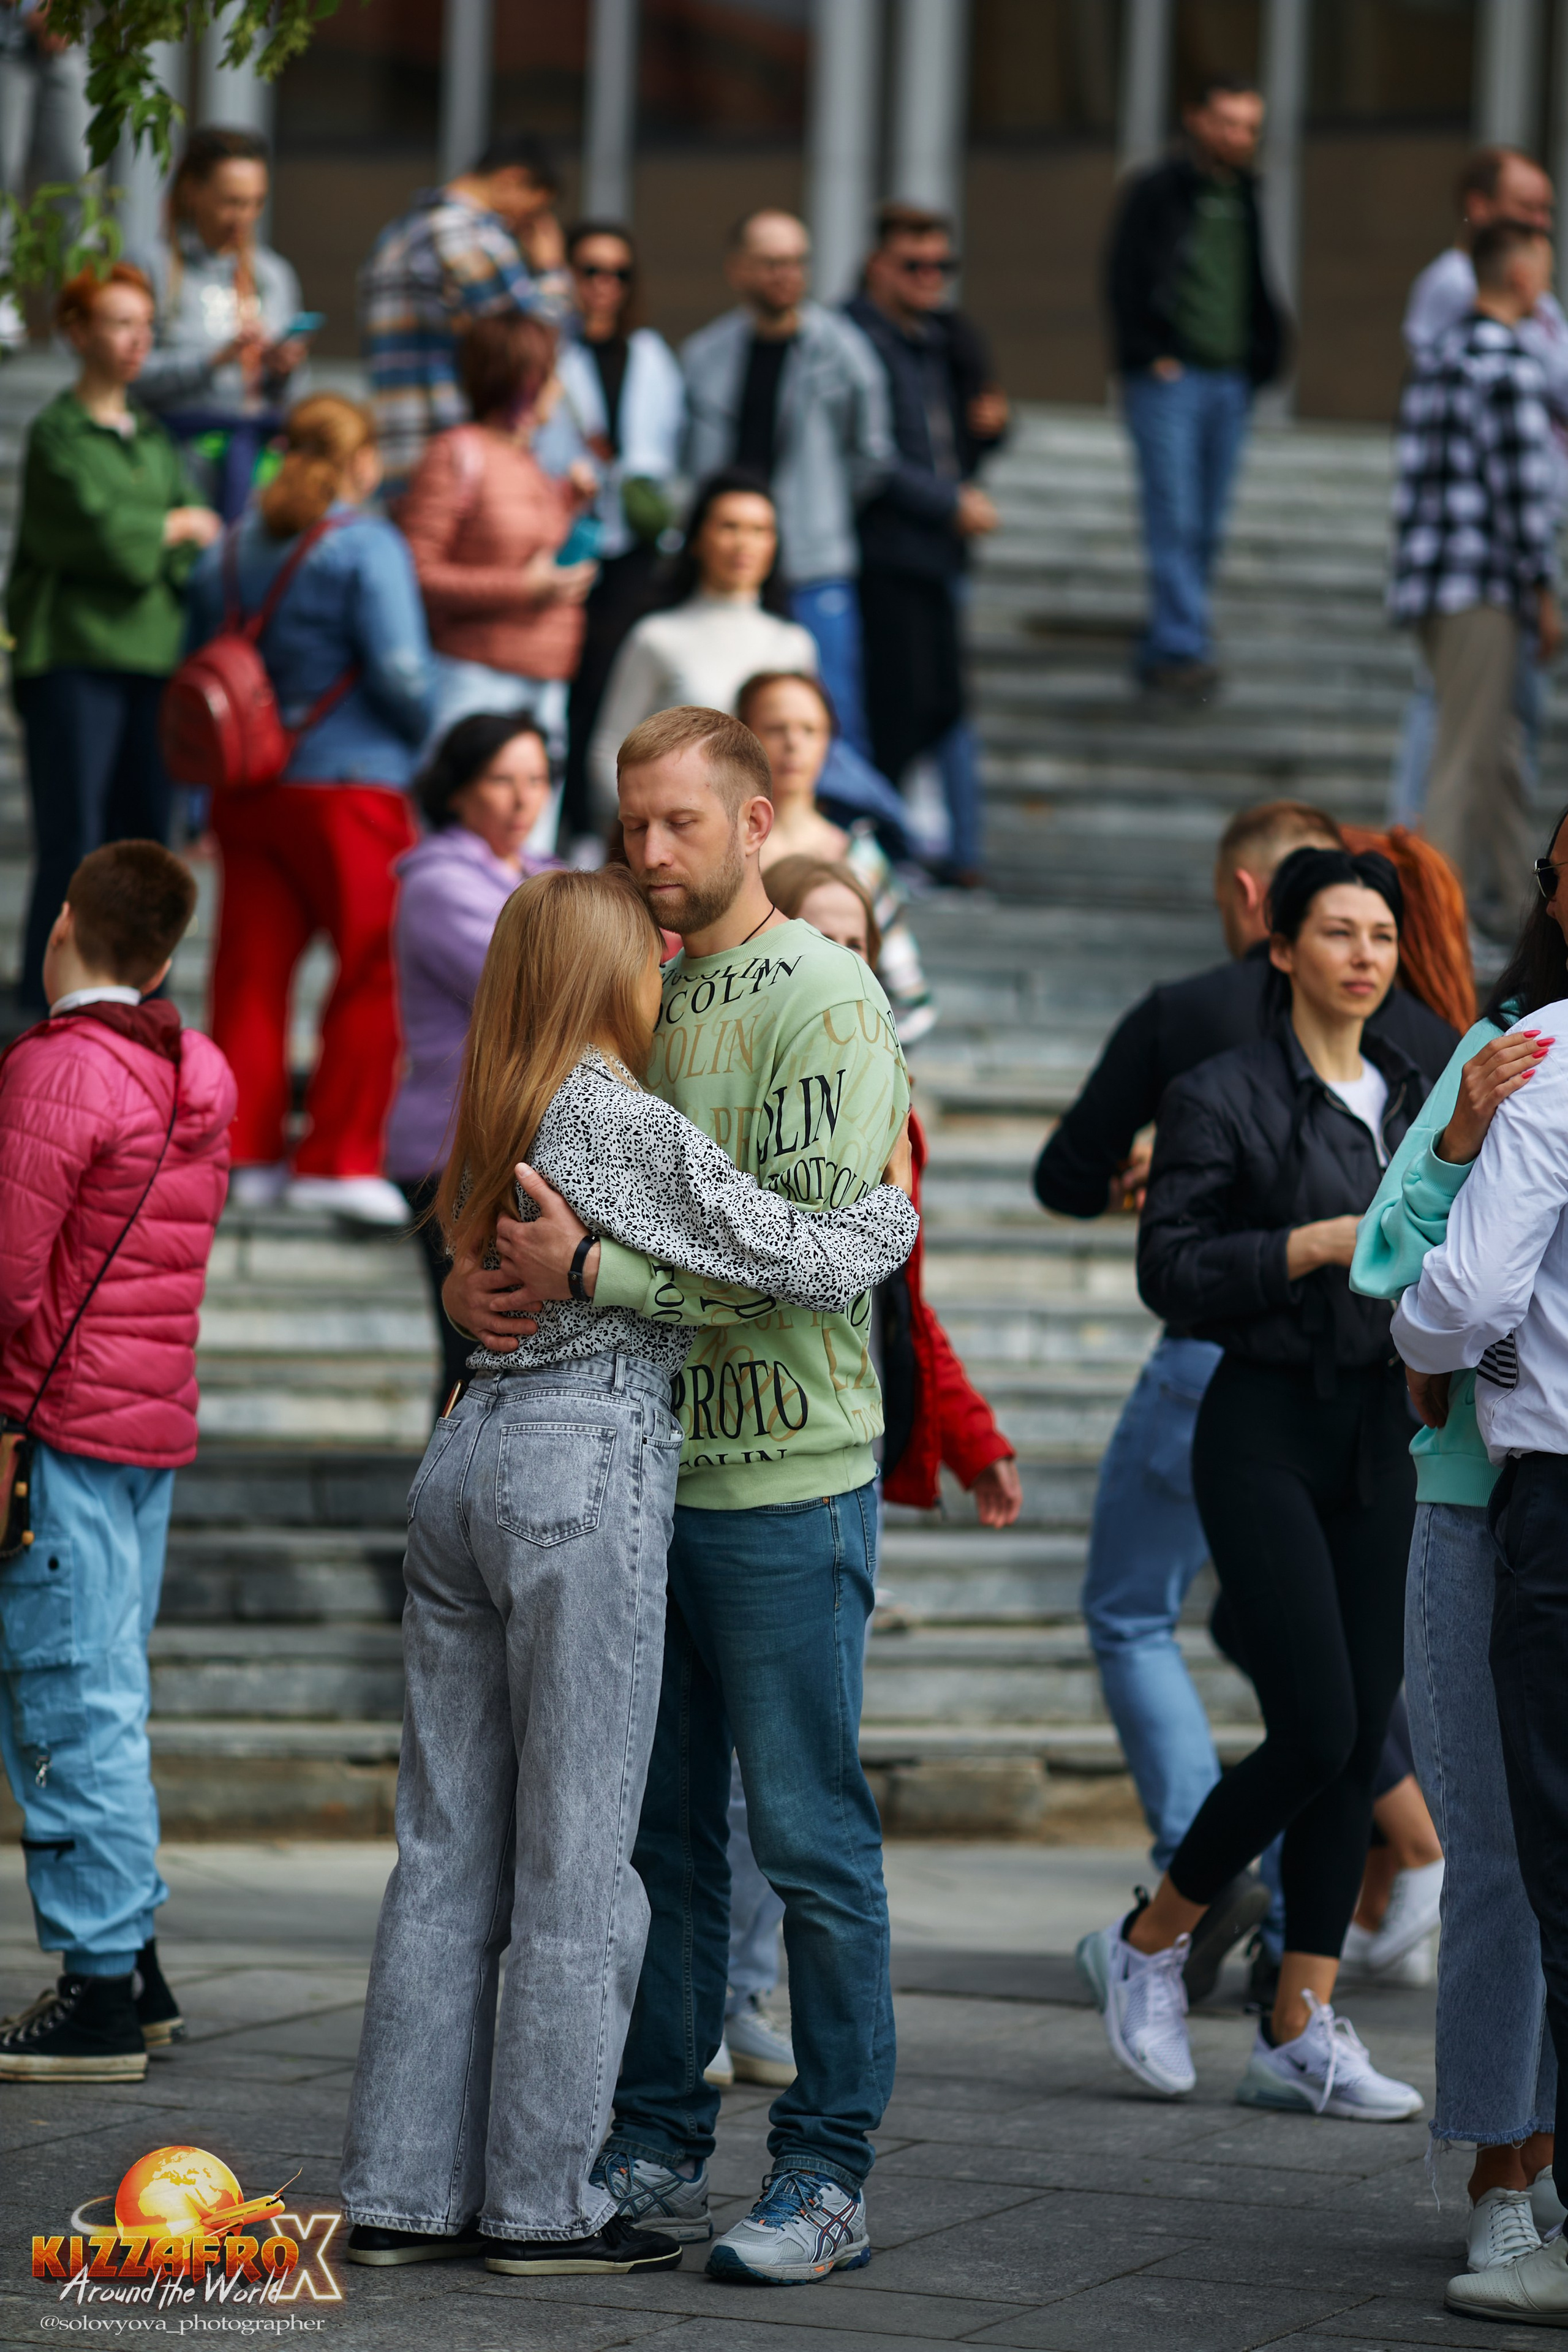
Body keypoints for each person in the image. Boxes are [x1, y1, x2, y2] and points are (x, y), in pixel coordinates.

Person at [339, 858, 917, 2276]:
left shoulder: (493, 1102)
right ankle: (542, 2196)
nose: (665, 970)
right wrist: (891, 1214)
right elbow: (796, 1246)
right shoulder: (610, 1112)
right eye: (641, 953)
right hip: (577, 1466)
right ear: (604, 969)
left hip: (465, 1456)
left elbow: (483, 1275)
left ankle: (404, 2186)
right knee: (580, 1849)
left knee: (443, 1846)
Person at [1035, 802, 1456, 1995]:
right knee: (1319, 1728)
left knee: (1356, 1717)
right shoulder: (1220, 1091)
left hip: (1385, 1428)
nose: (1364, 955)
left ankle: (1299, 2022)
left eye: (1378, 933)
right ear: (1278, 946)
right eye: (1335, 932)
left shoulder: (1420, 1088)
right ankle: (1148, 1942)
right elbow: (1167, 1268)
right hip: (1259, 1420)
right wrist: (1306, 1246)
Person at [0, 843, 234, 2082]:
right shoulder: (199, 1068)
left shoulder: (56, 1072)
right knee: (107, 1694)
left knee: (62, 1700)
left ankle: (97, 1989)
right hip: (149, 1423)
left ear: (63, 930)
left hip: (57, 1430)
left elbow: (6, 1280)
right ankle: (133, 1966)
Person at [1384, 821, 1568, 2323]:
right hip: (1475, 1498)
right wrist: (1455, 1139)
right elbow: (1397, 1271)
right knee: (1502, 1856)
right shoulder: (1504, 1054)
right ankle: (1500, 2176)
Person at [186, 394, 433, 1226]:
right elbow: (402, 675)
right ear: (359, 460)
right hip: (353, 785)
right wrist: (428, 729)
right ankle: (336, 1157)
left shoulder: (226, 547)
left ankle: (245, 1154)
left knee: (250, 976)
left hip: (247, 791)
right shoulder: (364, 544)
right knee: (375, 968)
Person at [6, 262, 220, 1017]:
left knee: (140, 849)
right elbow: (106, 541)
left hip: (153, 662)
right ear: (76, 334)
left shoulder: (154, 437)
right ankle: (44, 1015)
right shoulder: (59, 435)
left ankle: (126, 1006)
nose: (138, 341)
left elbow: (203, 537)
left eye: (146, 326)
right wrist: (165, 530)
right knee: (73, 846)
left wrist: (163, 535)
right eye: (120, 324)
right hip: (74, 662)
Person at [386, 714, 562, 1412]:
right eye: (501, 780)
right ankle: (444, 1510)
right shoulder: (436, 881)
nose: (523, 800)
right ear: (458, 791)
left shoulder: (547, 876)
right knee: (474, 1350)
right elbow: (534, 984)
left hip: (516, 1146)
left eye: (537, 780)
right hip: (452, 1146)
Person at [1390, 219, 1559, 944]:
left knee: (1492, 748)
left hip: (1431, 582)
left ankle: (1522, 913)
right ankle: (1433, 930)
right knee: (1462, 760)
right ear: (1521, 277)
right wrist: (1545, 592)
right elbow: (1524, 495)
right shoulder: (1509, 365)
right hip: (1481, 585)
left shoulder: (1440, 357)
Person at [681, 210, 892, 752]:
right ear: (738, 270)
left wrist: (822, 514)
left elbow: (871, 456)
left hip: (814, 564)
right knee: (718, 713)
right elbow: (687, 458)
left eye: (797, 262)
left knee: (830, 713)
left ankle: (837, 832)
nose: (787, 275)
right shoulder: (705, 356)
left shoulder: (842, 351)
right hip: (725, 565)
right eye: (772, 263)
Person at [1106, 74, 1287, 697]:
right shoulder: (1157, 190)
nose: (1239, 137)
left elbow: (1254, 283)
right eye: (1228, 122)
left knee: (1206, 522)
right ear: (1196, 120)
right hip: (1170, 375)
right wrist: (1148, 352)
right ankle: (1182, 642)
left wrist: (1263, 358)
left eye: (1249, 127)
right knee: (1174, 515)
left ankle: (1174, 636)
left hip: (1228, 379)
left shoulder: (1245, 194)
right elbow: (1125, 276)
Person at [845, 203, 1008, 886]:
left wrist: (993, 428)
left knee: (941, 702)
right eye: (915, 264)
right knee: (897, 704)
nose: (930, 277)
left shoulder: (942, 338)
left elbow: (968, 433)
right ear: (877, 266)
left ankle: (950, 850)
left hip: (938, 552)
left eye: (942, 265)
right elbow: (869, 459)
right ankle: (892, 848)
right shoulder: (854, 338)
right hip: (882, 552)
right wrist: (949, 501)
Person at [398, 311, 598, 769]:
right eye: (551, 376)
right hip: (475, 680)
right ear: (525, 379)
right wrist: (524, 588)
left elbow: (523, 547)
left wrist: (571, 504)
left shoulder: (534, 462)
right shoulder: (456, 453)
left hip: (546, 685)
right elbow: (417, 572)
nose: (560, 390)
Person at [556, 221, 686, 850]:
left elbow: (663, 446)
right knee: (567, 678)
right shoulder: (551, 350)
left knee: (613, 682)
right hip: (567, 535)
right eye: (590, 270)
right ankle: (563, 816)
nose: (603, 286)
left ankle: (599, 822)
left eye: (618, 274)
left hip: (632, 544)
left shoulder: (651, 354)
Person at [587, 472, 818, 825]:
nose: (745, 543)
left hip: (764, 843)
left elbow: (807, 760)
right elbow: (608, 751)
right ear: (695, 539)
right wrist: (653, 827)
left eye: (759, 530)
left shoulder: (793, 645)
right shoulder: (657, 636)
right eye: (730, 527)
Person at [360, 132, 572, 503]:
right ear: (512, 179)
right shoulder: (471, 236)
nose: (526, 227)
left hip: (396, 449)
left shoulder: (397, 233)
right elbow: (529, 344)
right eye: (534, 213)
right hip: (459, 457)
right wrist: (551, 272)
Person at [741, 670, 933, 1042]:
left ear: (829, 741)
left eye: (810, 730)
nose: (794, 744)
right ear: (743, 736)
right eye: (776, 728)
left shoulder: (860, 856)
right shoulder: (718, 852)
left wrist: (864, 1060)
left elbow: (911, 998)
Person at [132, 126, 308, 521]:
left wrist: (283, 370)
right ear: (192, 191)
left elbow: (290, 396)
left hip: (254, 464)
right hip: (171, 465)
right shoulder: (152, 267)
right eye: (231, 202)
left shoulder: (273, 274)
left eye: (255, 203)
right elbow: (125, 375)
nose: (243, 217)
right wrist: (212, 362)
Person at [0, 0, 89, 350]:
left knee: (76, 174)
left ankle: (75, 302)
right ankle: (3, 290)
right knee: (4, 171)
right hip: (7, 42)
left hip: (66, 43)